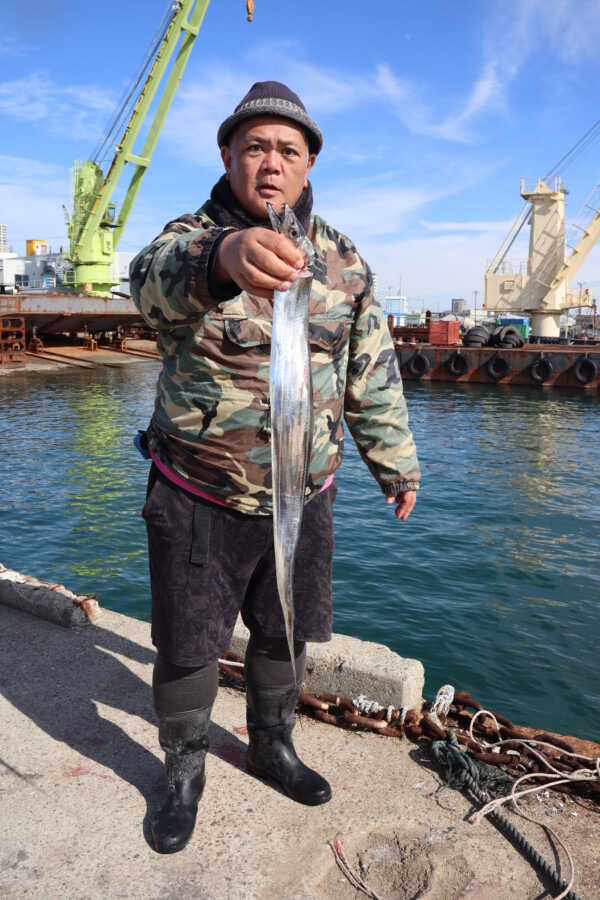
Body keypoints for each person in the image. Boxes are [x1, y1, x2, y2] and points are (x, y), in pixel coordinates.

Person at [130, 81, 420, 855]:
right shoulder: (189, 238)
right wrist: (224, 256)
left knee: (286, 634)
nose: (270, 162)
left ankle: (271, 744)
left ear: (309, 162)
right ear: (227, 157)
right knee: (189, 644)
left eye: (287, 149)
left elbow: (372, 374)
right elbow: (148, 286)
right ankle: (184, 769)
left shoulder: (344, 260)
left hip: (305, 494)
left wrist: (395, 465)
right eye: (253, 146)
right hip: (199, 493)